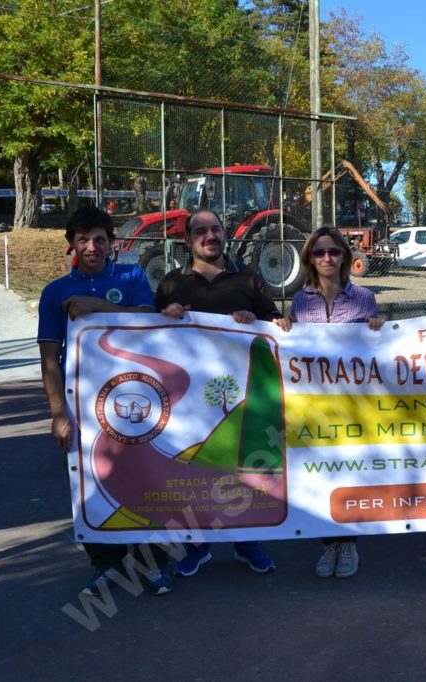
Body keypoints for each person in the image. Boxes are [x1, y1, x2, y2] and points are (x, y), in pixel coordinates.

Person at [36, 206, 173, 596]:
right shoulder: (55, 293)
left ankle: (154, 562)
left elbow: (148, 323)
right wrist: (57, 413)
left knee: (147, 478)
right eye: (83, 240)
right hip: (83, 407)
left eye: (99, 239)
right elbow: (50, 359)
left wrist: (97, 306)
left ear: (112, 242)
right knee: (91, 480)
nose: (92, 247)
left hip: (138, 398)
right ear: (71, 246)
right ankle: (104, 563)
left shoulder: (131, 276)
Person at [157, 209, 286, 579]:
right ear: (188, 240)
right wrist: (166, 313)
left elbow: (278, 329)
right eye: (201, 231)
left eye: (215, 229)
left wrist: (256, 320)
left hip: (241, 397)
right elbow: (148, 333)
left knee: (241, 472)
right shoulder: (170, 284)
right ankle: (197, 548)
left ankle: (247, 544)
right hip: (190, 402)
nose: (209, 236)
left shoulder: (248, 280)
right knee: (197, 469)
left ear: (224, 234)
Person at [274, 227, 384, 579]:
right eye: (319, 253)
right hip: (313, 405)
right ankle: (328, 544)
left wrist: (378, 328)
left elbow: (375, 347)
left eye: (333, 252)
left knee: (350, 471)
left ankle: (349, 543)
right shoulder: (300, 301)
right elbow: (295, 346)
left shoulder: (364, 297)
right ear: (309, 259)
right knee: (320, 473)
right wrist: (284, 328)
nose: (326, 259)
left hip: (353, 404)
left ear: (344, 258)